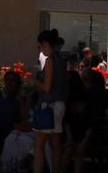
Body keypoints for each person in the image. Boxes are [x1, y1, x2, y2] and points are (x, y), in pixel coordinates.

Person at [32, 28, 68, 173]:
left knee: (39, 145)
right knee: (56, 145)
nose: (40, 49)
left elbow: (46, 87)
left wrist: (33, 80)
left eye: (41, 46)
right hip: (60, 104)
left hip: (48, 105)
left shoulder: (50, 61)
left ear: (46, 44)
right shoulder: (62, 59)